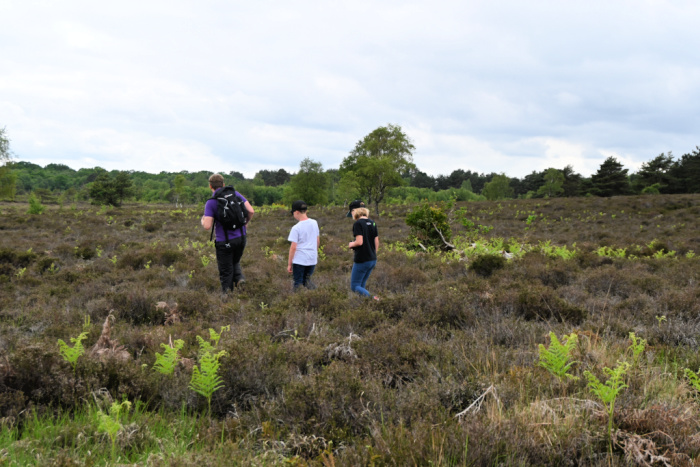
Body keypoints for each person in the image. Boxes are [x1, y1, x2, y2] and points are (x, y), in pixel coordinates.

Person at [201, 173, 254, 294]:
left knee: (226, 271)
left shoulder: (212, 202)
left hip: (224, 242)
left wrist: (203, 219)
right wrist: (245, 224)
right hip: (241, 238)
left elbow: (207, 226)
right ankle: (240, 279)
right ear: (223, 184)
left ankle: (227, 298)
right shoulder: (235, 194)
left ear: (210, 186)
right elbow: (251, 211)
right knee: (234, 262)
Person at [346, 199, 379, 300]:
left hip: (362, 259)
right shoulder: (372, 223)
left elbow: (359, 242)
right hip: (372, 259)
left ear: (354, 211)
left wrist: (351, 244)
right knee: (361, 285)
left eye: (351, 213)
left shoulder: (358, 223)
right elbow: (376, 242)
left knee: (355, 286)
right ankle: (364, 304)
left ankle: (373, 299)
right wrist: (372, 254)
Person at [287, 200, 320, 290]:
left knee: (298, 282)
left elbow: (293, 247)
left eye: (293, 213)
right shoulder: (314, 223)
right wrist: (314, 253)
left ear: (297, 212)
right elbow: (317, 241)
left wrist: (289, 264)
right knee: (307, 280)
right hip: (312, 258)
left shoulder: (296, 228)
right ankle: (316, 294)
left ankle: (297, 301)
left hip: (300, 260)